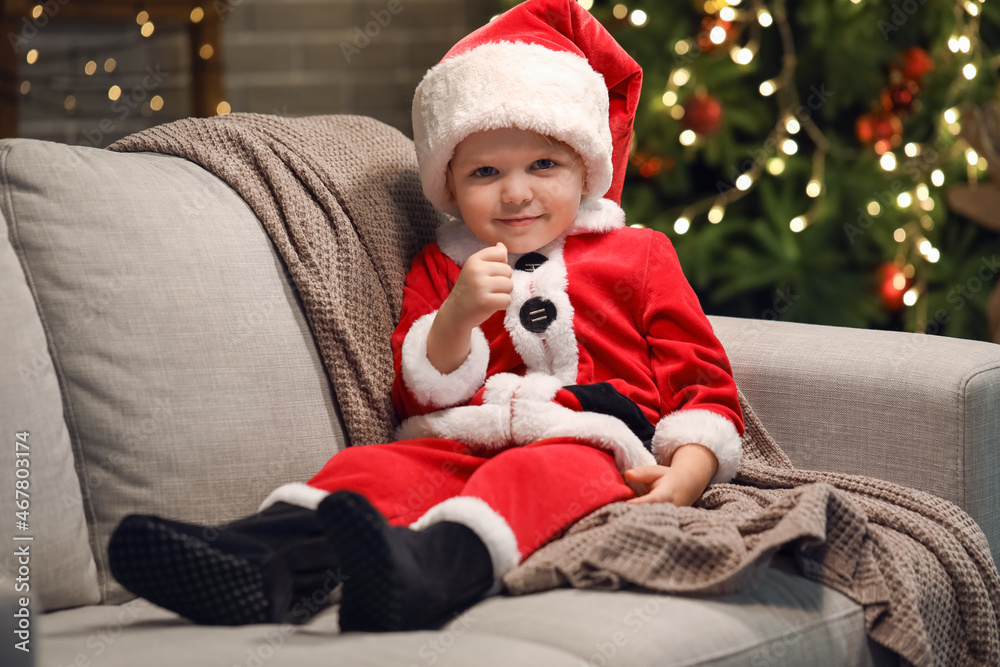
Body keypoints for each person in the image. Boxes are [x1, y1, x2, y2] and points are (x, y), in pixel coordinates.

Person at [107, 0, 744, 634]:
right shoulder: (443, 264)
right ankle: (256, 560)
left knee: (538, 476)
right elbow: (417, 387)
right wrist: (457, 316)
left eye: (544, 165)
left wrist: (688, 472)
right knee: (376, 467)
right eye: (485, 172)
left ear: (587, 171)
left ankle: (428, 571)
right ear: (449, 184)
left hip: (595, 441)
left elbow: (702, 379)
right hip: (468, 432)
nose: (516, 191)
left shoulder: (636, 254)